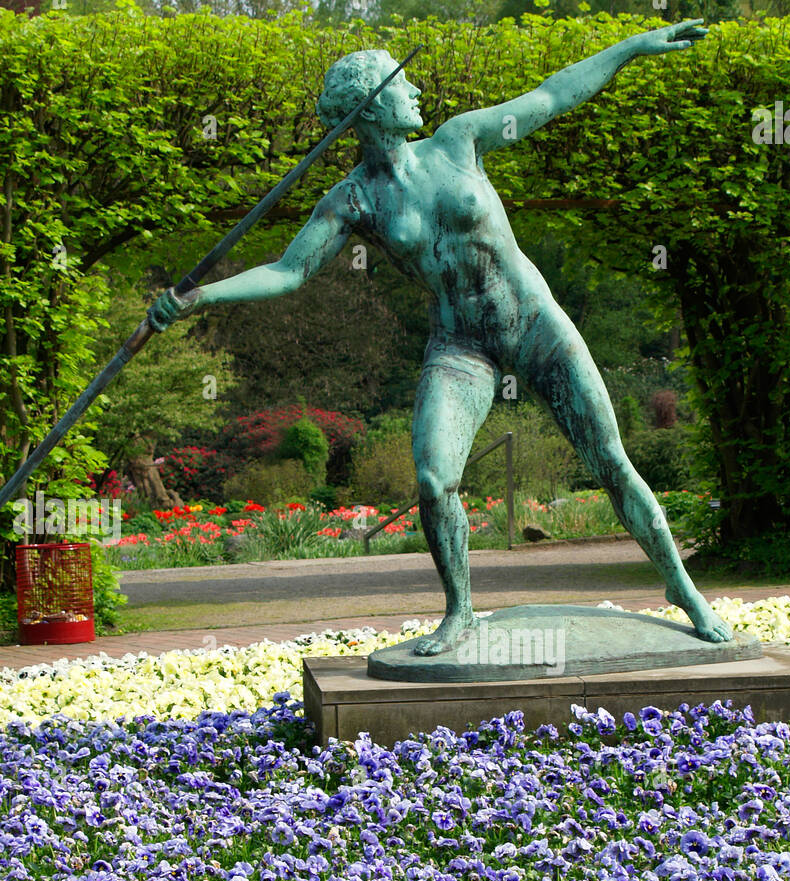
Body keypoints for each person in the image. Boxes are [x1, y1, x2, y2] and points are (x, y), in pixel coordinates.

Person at [149, 22, 733, 655]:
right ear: (373, 108)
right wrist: (199, 296)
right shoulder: (352, 200)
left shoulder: (458, 141)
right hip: (461, 349)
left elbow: (552, 95)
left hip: (535, 326)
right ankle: (460, 611)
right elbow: (289, 272)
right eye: (405, 85)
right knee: (432, 479)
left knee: (611, 460)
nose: (419, 90)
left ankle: (681, 586)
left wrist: (630, 48)